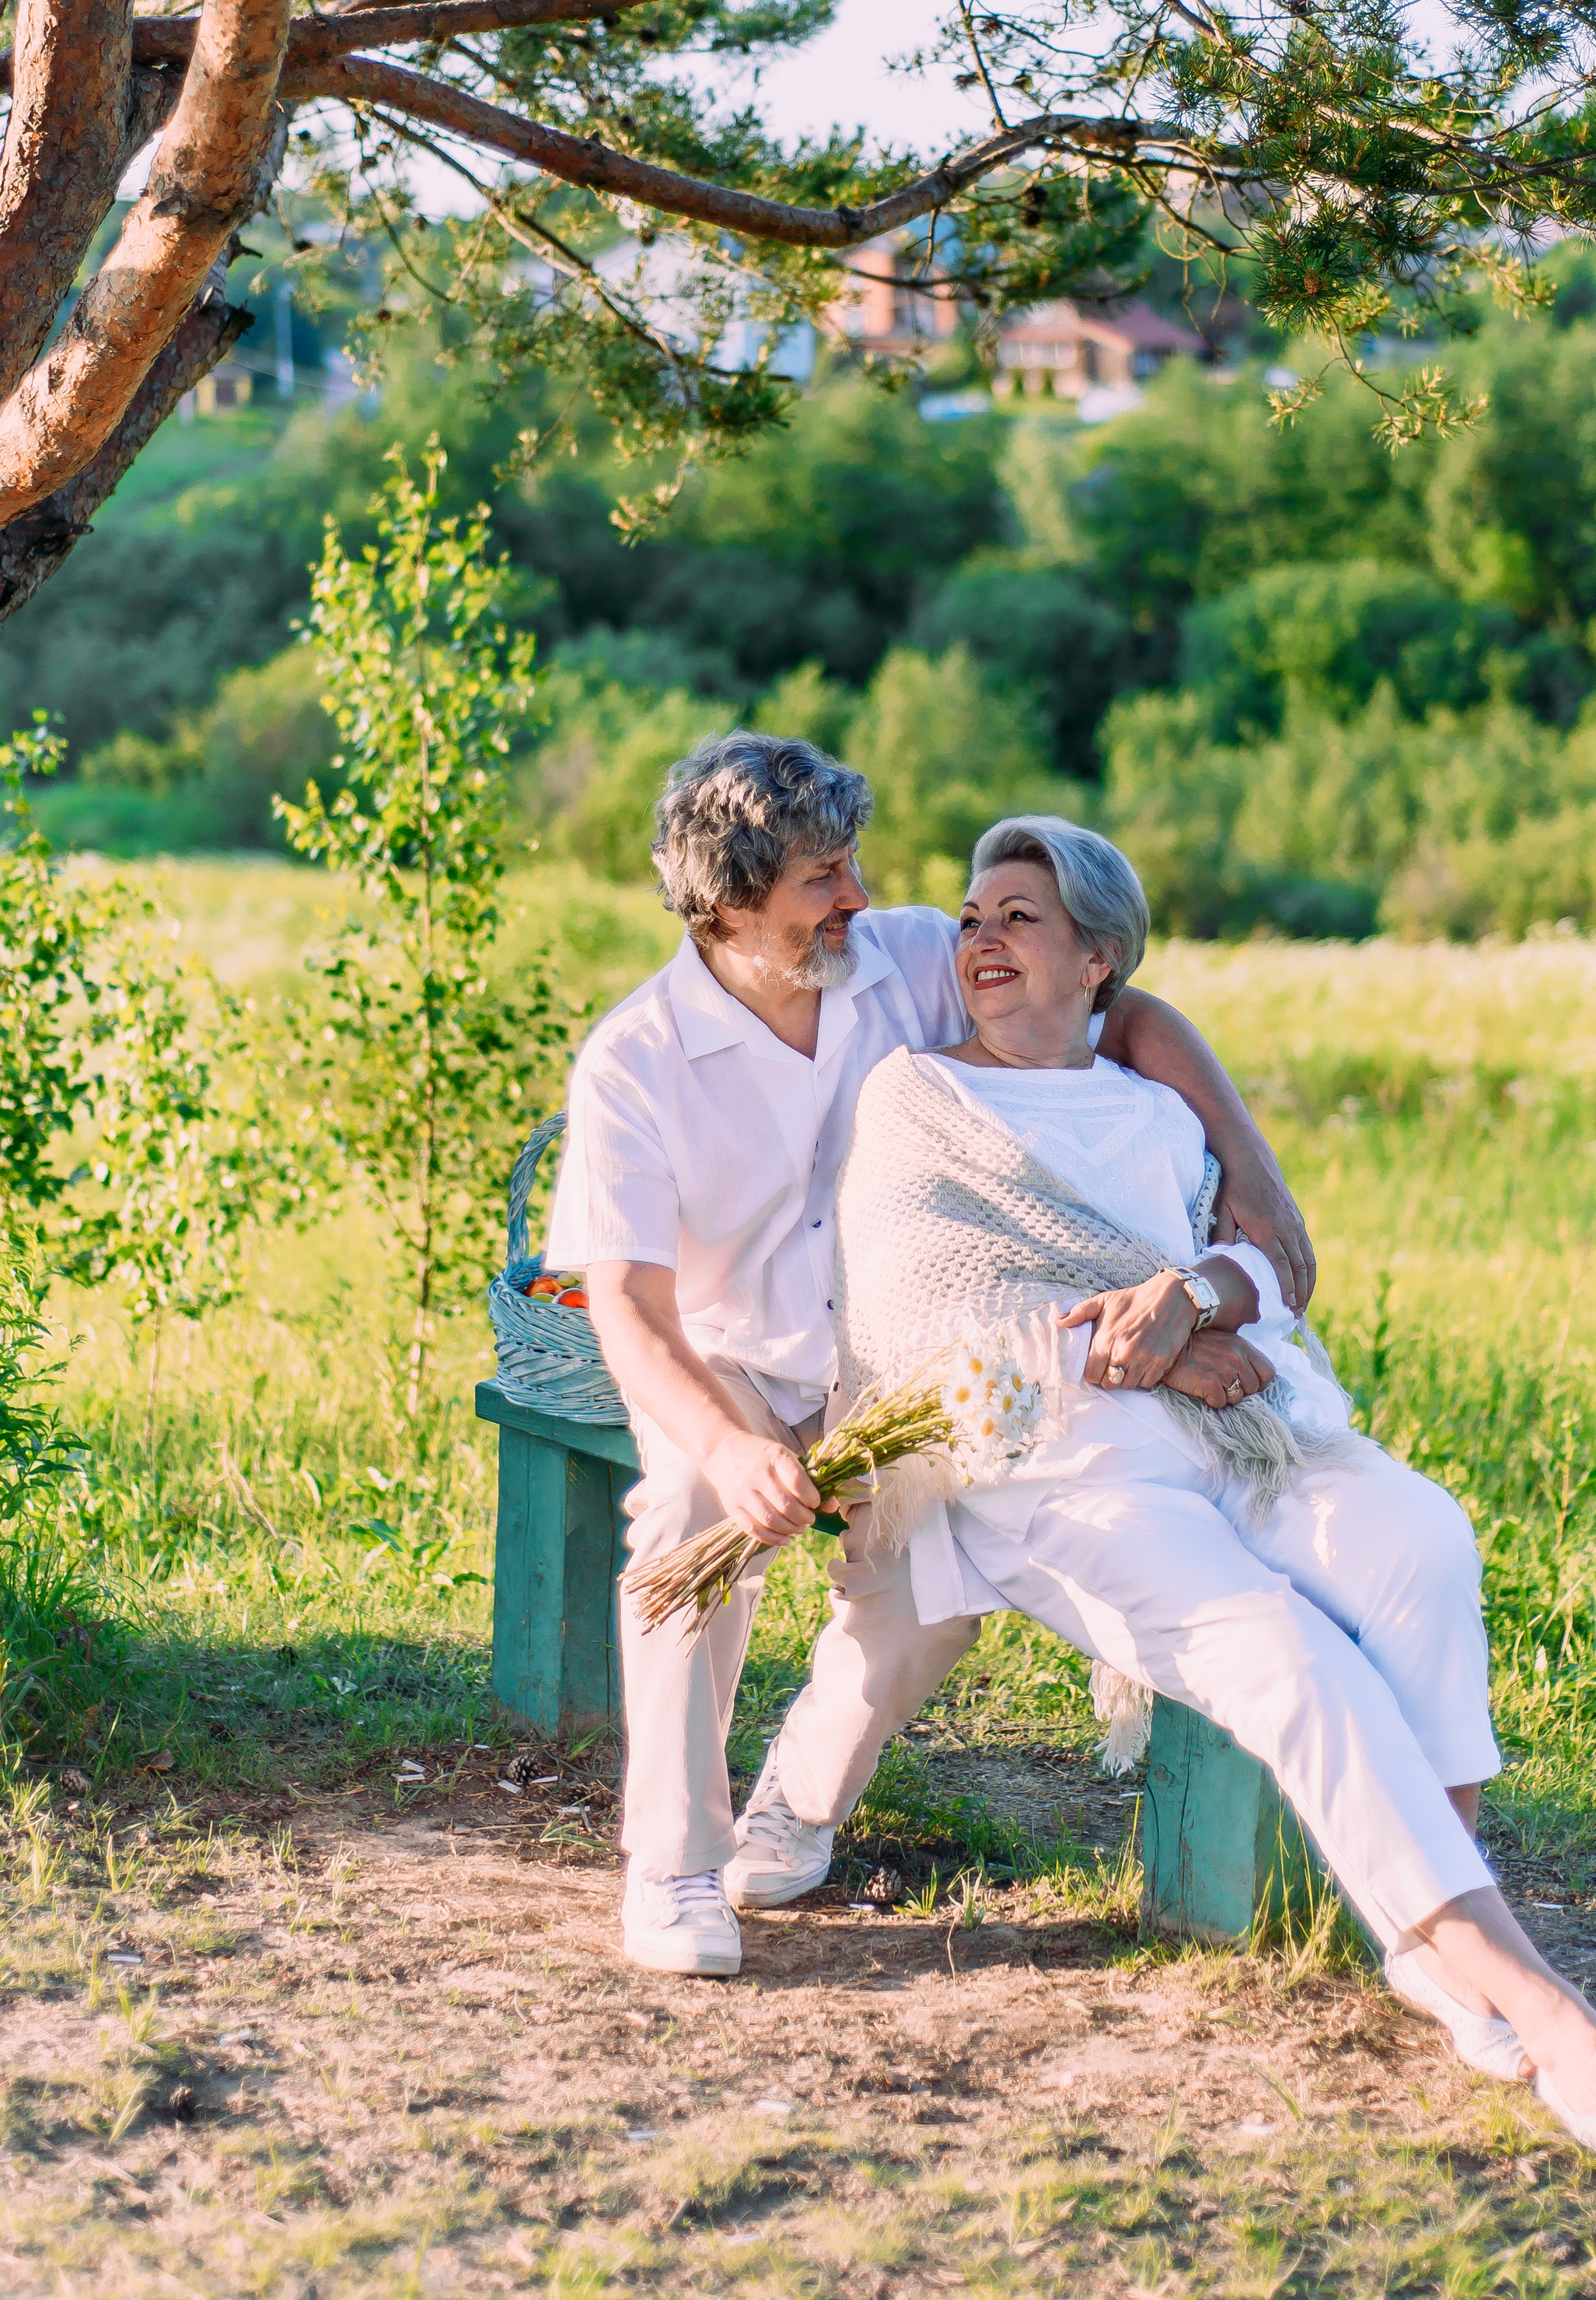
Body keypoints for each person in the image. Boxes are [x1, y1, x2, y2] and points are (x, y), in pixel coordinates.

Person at [824, 813, 1596, 2162]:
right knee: (1286, 1654)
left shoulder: (1159, 1112)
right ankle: (1544, 2003)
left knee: (1420, 1534)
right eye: (972, 916)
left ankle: (1428, 1946)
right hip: (1061, 1472)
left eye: (1019, 917)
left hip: (1239, 1437)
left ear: (1097, 960)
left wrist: (1201, 1295)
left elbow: (1260, 1278)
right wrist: (1166, 1341)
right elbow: (940, 1324)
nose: (980, 939)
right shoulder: (921, 1100)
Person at [549, 733, 1314, 1979]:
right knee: (692, 1514)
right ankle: (674, 1867)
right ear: (732, 898)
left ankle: (794, 1798)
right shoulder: (634, 1061)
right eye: (821, 878)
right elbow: (628, 1303)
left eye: (853, 865)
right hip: (730, 1361)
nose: (860, 895)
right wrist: (738, 1443)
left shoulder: (901, 957)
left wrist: (1253, 1165)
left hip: (906, 1356)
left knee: (938, 1577)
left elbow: (1124, 1012)